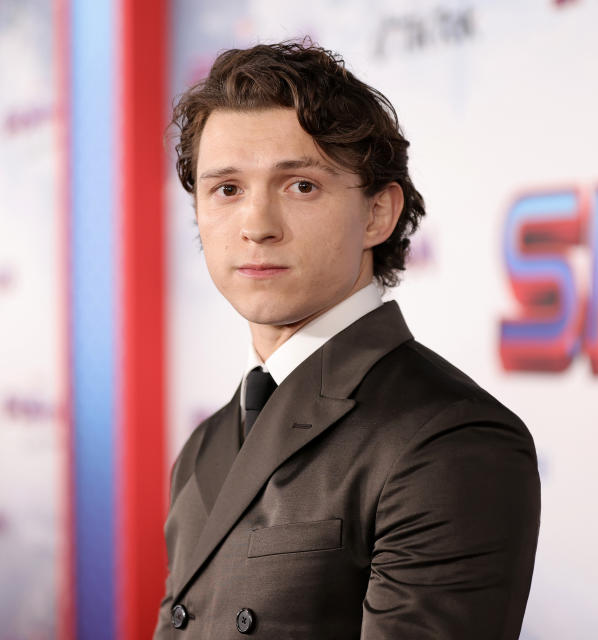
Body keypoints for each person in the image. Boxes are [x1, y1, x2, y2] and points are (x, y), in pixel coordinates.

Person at [156, 40, 540, 639]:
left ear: (377, 215)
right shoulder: (205, 445)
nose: (256, 226)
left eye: (300, 186)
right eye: (226, 189)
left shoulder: (449, 440)